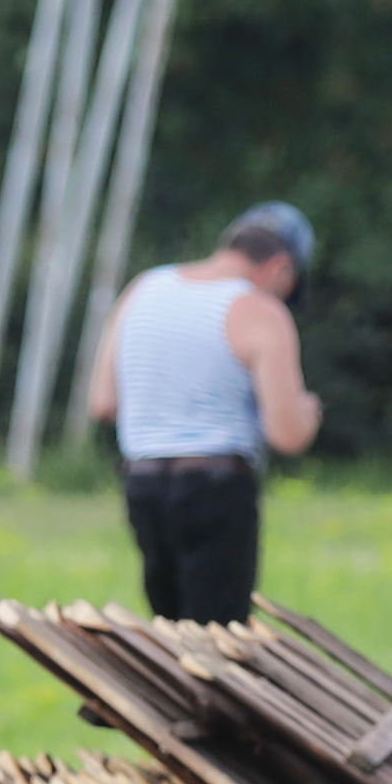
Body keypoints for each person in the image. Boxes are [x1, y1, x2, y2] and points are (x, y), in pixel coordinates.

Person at [84, 203, 324, 626]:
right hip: (216, 485)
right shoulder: (260, 311)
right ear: (281, 268)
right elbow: (286, 434)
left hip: (142, 484)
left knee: (171, 628)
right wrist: (308, 412)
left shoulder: (144, 289)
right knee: (218, 635)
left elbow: (104, 402)